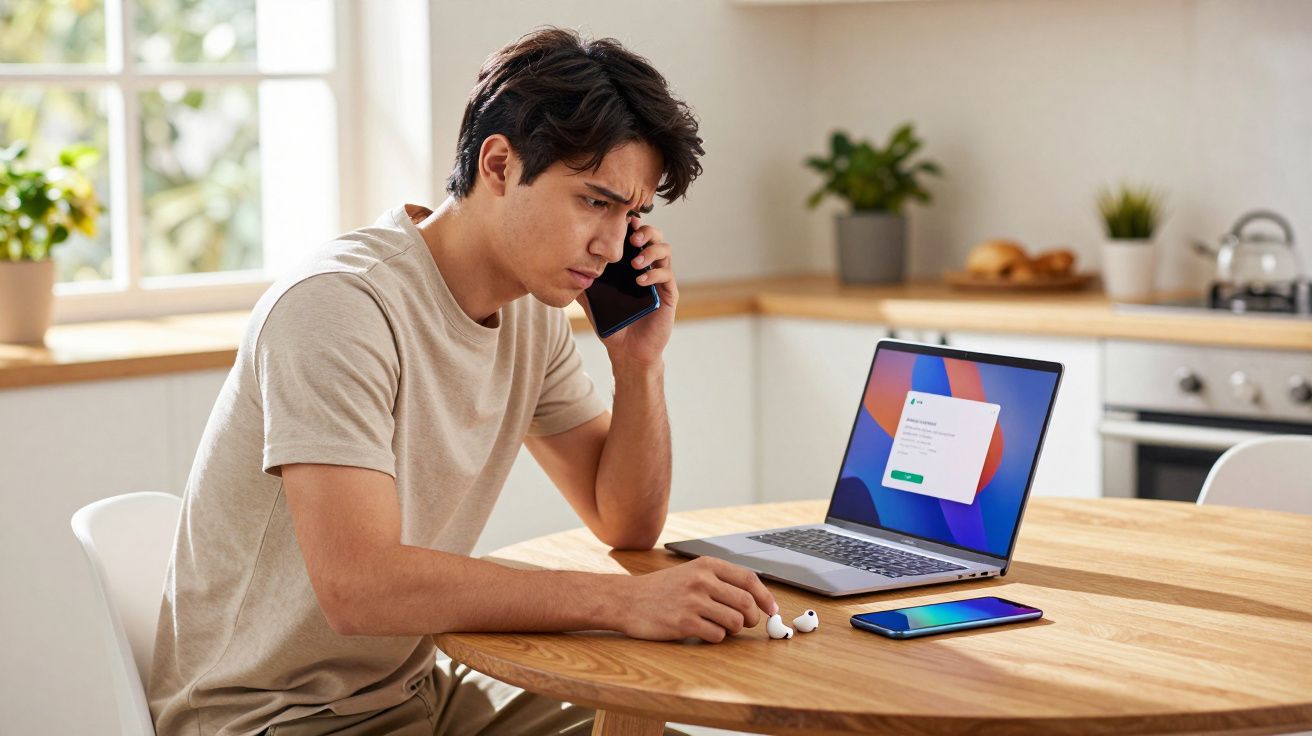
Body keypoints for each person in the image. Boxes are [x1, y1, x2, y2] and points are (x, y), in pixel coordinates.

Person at [148, 26, 779, 736]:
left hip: (416, 694)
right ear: (501, 164)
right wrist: (621, 602)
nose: (611, 245)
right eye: (594, 201)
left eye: (631, 215)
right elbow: (359, 590)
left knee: (634, 719)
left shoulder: (531, 311)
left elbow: (625, 520)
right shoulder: (339, 307)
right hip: (273, 717)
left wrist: (639, 363)